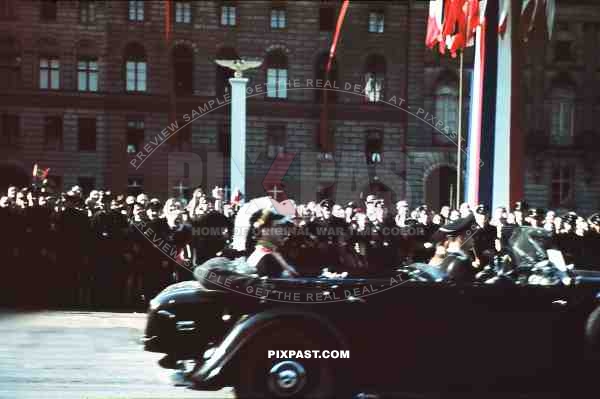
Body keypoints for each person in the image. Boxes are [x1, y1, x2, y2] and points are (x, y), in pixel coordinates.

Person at [247, 209, 298, 278]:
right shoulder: (267, 259)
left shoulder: (273, 254)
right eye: (278, 226)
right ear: (264, 230)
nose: (284, 231)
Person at [429, 214, 480, 283]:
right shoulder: (457, 260)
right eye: (470, 235)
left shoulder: (459, 255)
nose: (473, 239)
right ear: (461, 237)